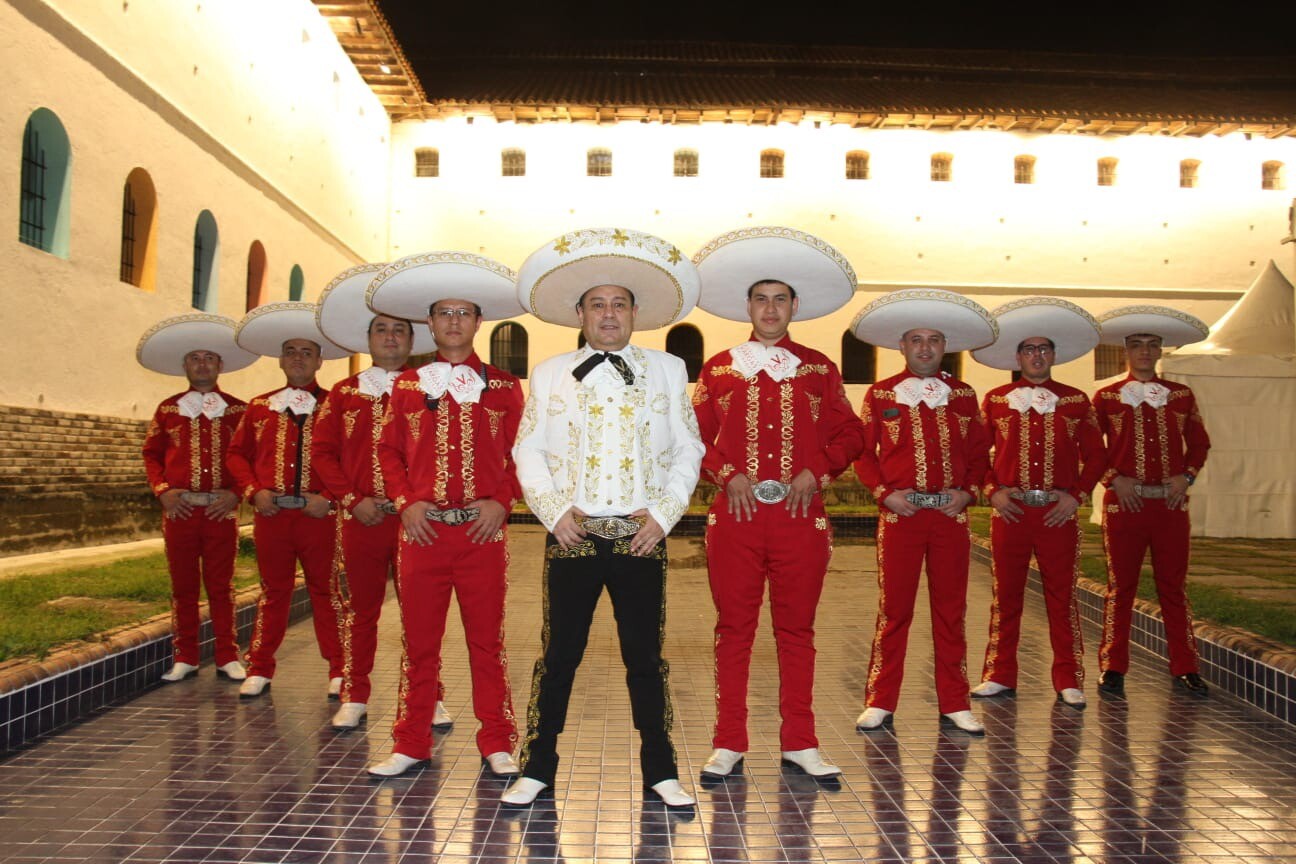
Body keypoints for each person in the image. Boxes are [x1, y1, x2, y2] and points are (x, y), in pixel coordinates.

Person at [504, 228, 705, 809]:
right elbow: (528, 448)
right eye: (598, 304)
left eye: (619, 304)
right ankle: (536, 766)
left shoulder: (669, 369)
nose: (609, 314)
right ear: (581, 314)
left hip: (641, 537)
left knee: (646, 658)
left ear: (635, 314)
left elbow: (689, 447)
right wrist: (552, 512)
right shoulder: (549, 372)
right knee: (558, 656)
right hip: (573, 535)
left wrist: (664, 514)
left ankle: (661, 770)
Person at [689, 227, 864, 781]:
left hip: (799, 518)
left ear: (794, 307)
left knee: (797, 631)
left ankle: (800, 741)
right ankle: (728, 741)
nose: (770, 309)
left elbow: (851, 434)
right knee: (733, 629)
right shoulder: (719, 368)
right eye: (761, 299)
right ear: (748, 307)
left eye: (780, 299)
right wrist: (725, 473)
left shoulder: (819, 368)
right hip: (735, 519)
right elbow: (691, 437)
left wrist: (820, 470)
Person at [364, 251, 527, 777]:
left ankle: (497, 740)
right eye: (444, 313)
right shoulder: (408, 385)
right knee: (419, 644)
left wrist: (502, 500)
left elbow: (525, 452)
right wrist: (405, 501)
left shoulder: (504, 387)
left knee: (487, 641)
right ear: (430, 324)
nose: (454, 322)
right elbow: (387, 450)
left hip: (481, 535)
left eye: (464, 313)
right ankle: (411, 742)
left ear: (479, 322)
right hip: (422, 534)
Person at [311, 263, 452, 731]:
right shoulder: (343, 393)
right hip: (362, 517)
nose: (390, 337)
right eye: (381, 330)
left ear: (413, 341)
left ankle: (428, 696)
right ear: (368, 339)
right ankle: (354, 693)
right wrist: (353, 500)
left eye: (399, 330)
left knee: (421, 613)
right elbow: (322, 453)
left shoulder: (431, 389)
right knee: (361, 609)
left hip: (417, 520)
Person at [850, 289, 996, 736]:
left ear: (944, 346)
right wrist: (884, 494)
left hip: (950, 517)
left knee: (951, 611)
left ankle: (955, 702)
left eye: (934, 340)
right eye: (916, 340)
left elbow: (979, 454)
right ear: (902, 346)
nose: (926, 348)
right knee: (894, 610)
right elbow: (863, 452)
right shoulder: (881, 394)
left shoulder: (963, 395)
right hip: (901, 517)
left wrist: (967, 493)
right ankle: (880, 699)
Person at [968, 298, 1106, 709]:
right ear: (1018, 357)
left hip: (1056, 513)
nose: (1037, 356)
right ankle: (998, 674)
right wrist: (992, 490)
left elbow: (1097, 456)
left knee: (1061, 596)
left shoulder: (1076, 401)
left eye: (1044, 349)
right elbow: (976, 454)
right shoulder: (996, 400)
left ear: (1053, 355)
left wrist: (1076, 496)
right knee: (1006, 595)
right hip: (1011, 511)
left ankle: (1068, 677)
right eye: (1029, 349)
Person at [226, 302, 352, 699]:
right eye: (291, 351)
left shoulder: (336, 406)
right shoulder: (259, 407)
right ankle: (260, 666)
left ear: (319, 361)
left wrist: (329, 498)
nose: (298, 358)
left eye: (307, 352)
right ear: (280, 359)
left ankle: (340, 668)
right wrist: (254, 491)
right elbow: (236, 455)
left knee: (326, 590)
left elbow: (352, 459)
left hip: (318, 516)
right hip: (272, 515)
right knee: (273, 590)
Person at [1092, 306, 1212, 698]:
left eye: (1152, 344)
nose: (1144, 351)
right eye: (1137, 344)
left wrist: (1187, 476)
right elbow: (1090, 448)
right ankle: (1113, 666)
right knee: (1120, 587)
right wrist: (1114, 479)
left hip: (1170, 506)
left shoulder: (1181, 395)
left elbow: (1200, 444)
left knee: (1173, 587)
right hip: (1124, 506)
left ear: (1161, 350)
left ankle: (1185, 666)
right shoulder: (1107, 397)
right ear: (1125, 351)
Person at [138, 313, 257, 683]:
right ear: (185, 365)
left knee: (221, 586)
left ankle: (227, 655)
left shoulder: (239, 410)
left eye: (209, 358)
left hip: (221, 512)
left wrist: (236, 495)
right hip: (181, 511)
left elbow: (252, 458)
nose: (202, 364)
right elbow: (151, 455)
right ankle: (185, 656)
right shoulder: (168, 410)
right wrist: (163, 492)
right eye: (195, 358)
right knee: (183, 587)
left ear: (220, 365)